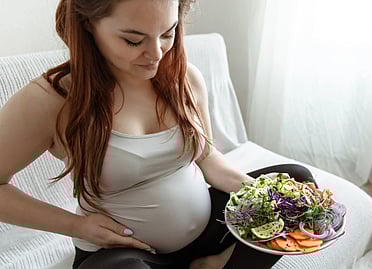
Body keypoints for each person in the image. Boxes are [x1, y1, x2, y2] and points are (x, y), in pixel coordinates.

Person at [0, 0, 314, 268]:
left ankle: (217, 264)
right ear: (87, 25)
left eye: (167, 33)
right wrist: (77, 225)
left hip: (208, 232)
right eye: (133, 40)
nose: (156, 53)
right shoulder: (53, 99)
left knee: (297, 185)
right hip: (126, 254)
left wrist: (258, 191)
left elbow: (207, 157)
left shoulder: (184, 77)